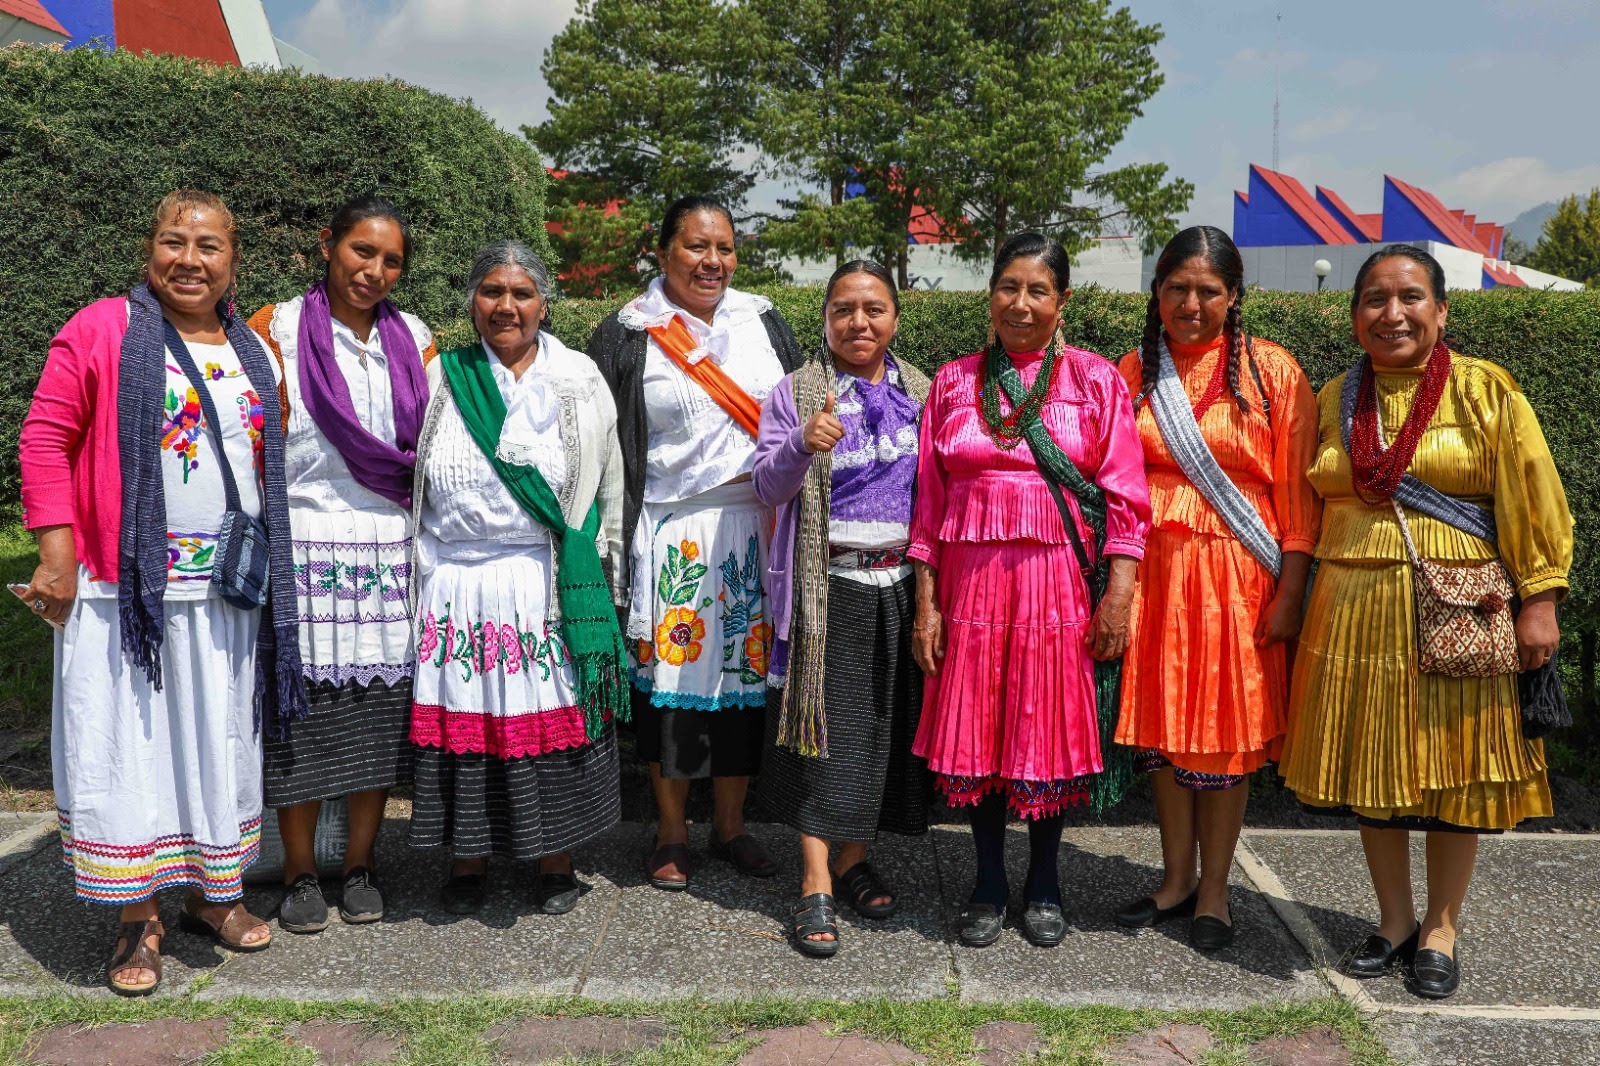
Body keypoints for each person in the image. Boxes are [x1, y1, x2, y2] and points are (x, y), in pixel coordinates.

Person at [19, 190, 305, 994]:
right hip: (125, 590)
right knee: (131, 749)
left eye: (208, 246)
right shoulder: (102, 329)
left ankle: (214, 894)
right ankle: (137, 918)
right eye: (174, 242)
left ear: (233, 261)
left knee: (216, 744)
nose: (190, 260)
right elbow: (45, 437)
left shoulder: (252, 349)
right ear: (150, 249)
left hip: (223, 597)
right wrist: (56, 552)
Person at [1280, 244, 1571, 1000]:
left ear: (1441, 310)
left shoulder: (1484, 389)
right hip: (1352, 610)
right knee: (1372, 769)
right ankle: (1393, 920)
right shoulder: (1337, 395)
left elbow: (1532, 491)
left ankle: (1441, 928)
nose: (1393, 314)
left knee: (1456, 771)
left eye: (1410, 298)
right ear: (1354, 317)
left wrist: (1540, 600)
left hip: (1458, 606)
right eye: (1374, 299)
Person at [909, 232, 1151, 949]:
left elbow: (1127, 499)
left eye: (1037, 290)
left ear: (1061, 301)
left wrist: (1120, 596)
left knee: (1046, 727)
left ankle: (1045, 880)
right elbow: (927, 502)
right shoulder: (952, 382)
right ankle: (987, 880)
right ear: (990, 296)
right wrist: (926, 604)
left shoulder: (1096, 380)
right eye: (1008, 287)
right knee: (979, 727)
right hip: (970, 586)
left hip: (1058, 588)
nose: (1020, 303)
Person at [1110, 226, 1321, 951]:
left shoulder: (1273, 372)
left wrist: (1291, 592)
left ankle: (1217, 890)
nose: (1191, 304)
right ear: (1157, 292)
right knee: (1167, 732)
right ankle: (1175, 879)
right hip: (1154, 577)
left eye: (1208, 291)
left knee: (1224, 737)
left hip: (1239, 580)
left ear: (1233, 297)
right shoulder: (1134, 370)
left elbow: (1297, 494)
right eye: (1177, 288)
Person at [586, 195, 805, 890]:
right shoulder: (628, 333)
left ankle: (732, 826)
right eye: (696, 246)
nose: (713, 261)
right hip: (673, 532)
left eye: (725, 248)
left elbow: (800, 409)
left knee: (745, 680)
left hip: (756, 528)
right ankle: (672, 830)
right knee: (671, 687)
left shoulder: (763, 321)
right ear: (663, 252)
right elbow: (600, 441)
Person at [408, 240, 627, 916]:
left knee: (551, 713)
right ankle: (467, 858)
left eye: (522, 293)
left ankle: (555, 857)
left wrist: (609, 571)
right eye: (492, 292)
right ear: (473, 301)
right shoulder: (443, 376)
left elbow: (609, 482)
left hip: (544, 579)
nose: (507, 306)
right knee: (468, 719)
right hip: (457, 581)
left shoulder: (579, 377)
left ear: (544, 304)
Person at [247, 196, 436, 933]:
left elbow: (429, 445)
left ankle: (359, 864)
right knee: (300, 717)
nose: (374, 270)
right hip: (304, 549)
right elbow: (252, 436)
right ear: (328, 245)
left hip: (389, 554)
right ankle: (299, 871)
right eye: (362, 251)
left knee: (375, 719)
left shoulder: (415, 340)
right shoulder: (277, 329)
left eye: (391, 261)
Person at [753, 260, 933, 957]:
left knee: (881, 731)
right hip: (826, 585)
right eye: (844, 310)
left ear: (896, 317)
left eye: (874, 309)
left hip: (901, 585)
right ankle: (816, 880)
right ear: (825, 319)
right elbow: (766, 488)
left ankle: (855, 860)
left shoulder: (923, 391)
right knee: (818, 734)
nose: (859, 322)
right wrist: (802, 444)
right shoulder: (797, 391)